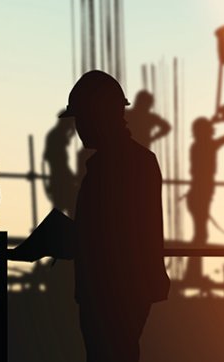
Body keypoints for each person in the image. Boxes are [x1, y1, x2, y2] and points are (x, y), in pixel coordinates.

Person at [61, 70, 170, 362]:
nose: (79, 128)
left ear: (100, 116)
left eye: (82, 118)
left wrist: (68, 237)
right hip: (123, 288)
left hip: (109, 290)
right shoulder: (135, 161)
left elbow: (112, 233)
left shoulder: (114, 166)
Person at [184, 118, 224, 282]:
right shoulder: (205, 146)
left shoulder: (198, 146)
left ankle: (193, 272)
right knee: (200, 235)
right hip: (200, 195)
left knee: (200, 234)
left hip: (198, 195)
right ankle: (193, 273)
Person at [43, 112, 78, 216]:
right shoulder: (56, 137)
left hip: (58, 182)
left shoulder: (55, 135)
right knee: (68, 212)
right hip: (61, 182)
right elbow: (60, 164)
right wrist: (71, 177)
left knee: (64, 213)